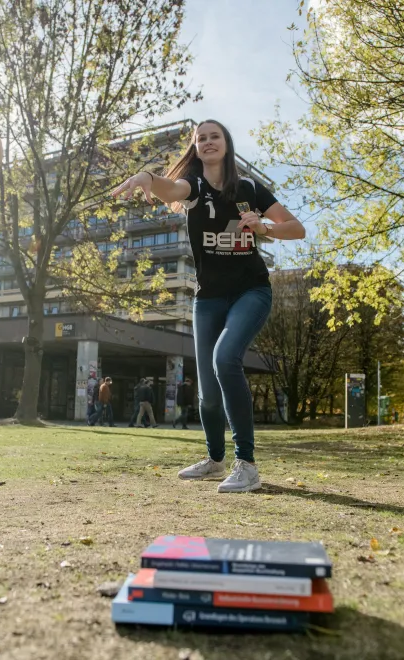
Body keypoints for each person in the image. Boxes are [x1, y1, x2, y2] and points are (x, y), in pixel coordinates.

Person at [112, 119, 306, 493]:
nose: (207, 142)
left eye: (214, 136)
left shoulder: (249, 188)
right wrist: (147, 178)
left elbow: (295, 228)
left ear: (226, 144)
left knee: (225, 358)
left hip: (251, 291)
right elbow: (172, 186)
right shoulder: (194, 186)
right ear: (196, 148)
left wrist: (264, 227)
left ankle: (246, 464)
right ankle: (215, 460)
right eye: (201, 138)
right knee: (207, 392)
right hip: (209, 298)